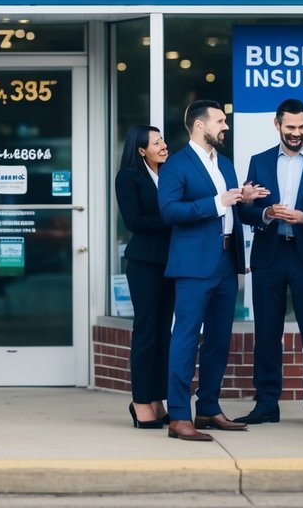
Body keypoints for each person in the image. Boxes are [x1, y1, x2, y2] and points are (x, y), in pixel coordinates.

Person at [158, 100, 267, 441]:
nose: (226, 126)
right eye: (220, 121)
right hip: (193, 265)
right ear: (200, 125)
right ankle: (178, 416)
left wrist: (248, 202)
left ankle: (207, 408)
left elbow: (232, 210)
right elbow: (169, 212)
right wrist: (218, 202)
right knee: (186, 338)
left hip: (226, 261)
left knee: (219, 340)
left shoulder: (225, 165)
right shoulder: (177, 165)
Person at [234, 98, 303, 429]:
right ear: (277, 125)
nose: (296, 133)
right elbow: (245, 209)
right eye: (290, 127)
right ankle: (267, 403)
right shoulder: (259, 161)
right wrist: (266, 213)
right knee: (267, 333)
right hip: (269, 256)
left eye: (301, 127)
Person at [114, 125, 173, 429]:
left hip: (171, 263)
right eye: (156, 142)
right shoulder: (128, 177)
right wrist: (176, 217)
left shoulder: (170, 174)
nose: (164, 145)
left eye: (162, 139)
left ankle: (158, 398)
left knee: (165, 333)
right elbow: (135, 221)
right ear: (141, 150)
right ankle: (140, 401)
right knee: (147, 331)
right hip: (144, 264)